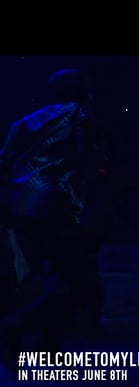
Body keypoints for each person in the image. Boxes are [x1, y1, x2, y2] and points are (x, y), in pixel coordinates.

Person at [0, 68, 107, 370]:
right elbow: (88, 161)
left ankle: (46, 345)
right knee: (78, 280)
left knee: (45, 276)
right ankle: (16, 327)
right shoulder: (80, 114)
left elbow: (4, 163)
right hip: (56, 201)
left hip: (22, 204)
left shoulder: (25, 121)